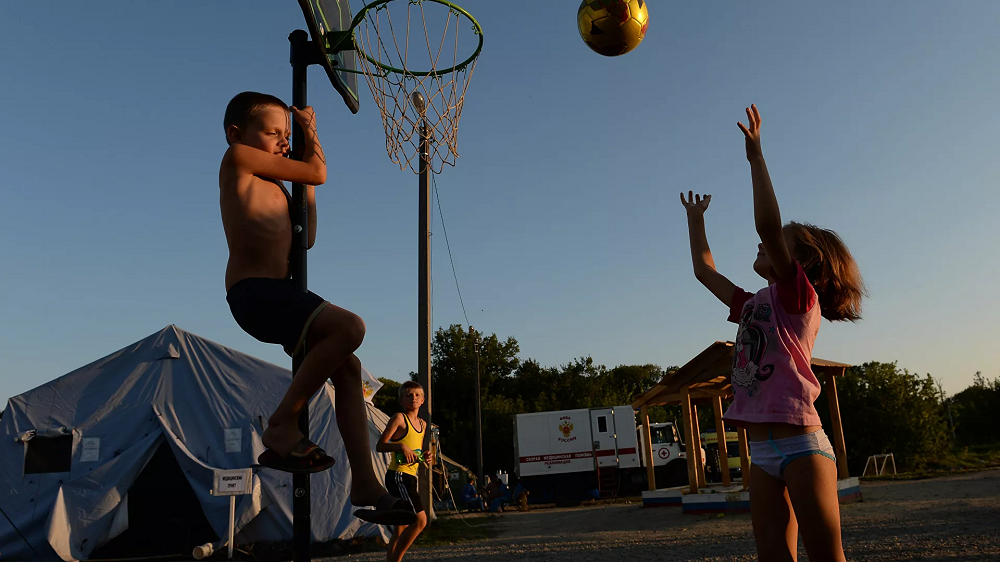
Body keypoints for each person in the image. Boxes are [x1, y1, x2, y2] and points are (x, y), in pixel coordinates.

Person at [680, 104, 865, 562]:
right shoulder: (752, 305)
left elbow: (765, 224)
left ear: (799, 261)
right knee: (773, 556)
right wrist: (695, 222)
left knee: (827, 555)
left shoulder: (796, 296)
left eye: (778, 241)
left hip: (802, 443)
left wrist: (756, 159)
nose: (763, 242)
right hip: (759, 451)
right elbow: (705, 272)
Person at [219, 91, 414, 525]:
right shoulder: (238, 161)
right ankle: (282, 423)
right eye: (273, 133)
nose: (282, 141)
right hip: (256, 292)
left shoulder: (275, 189)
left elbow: (305, 236)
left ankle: (365, 483)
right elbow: (319, 172)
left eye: (286, 135)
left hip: (279, 293)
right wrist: (310, 131)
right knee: (350, 327)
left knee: (348, 365)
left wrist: (303, 176)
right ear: (237, 134)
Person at [376, 381, 435, 562]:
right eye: (408, 395)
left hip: (411, 476)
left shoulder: (423, 425)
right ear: (401, 400)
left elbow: (415, 449)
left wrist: (426, 456)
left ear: (423, 400)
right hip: (398, 475)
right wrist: (400, 445)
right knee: (420, 521)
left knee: (400, 527)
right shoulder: (399, 418)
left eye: (417, 395)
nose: (413, 398)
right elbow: (380, 445)